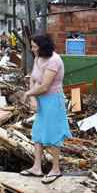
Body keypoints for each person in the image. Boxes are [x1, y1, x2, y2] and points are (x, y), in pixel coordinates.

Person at [21, 34, 71, 184]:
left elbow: (44, 86)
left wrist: (29, 93)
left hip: (53, 101)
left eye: (35, 46)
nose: (32, 49)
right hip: (41, 99)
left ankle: (56, 169)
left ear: (43, 47)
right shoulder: (38, 58)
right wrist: (32, 98)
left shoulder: (54, 61)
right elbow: (33, 78)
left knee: (53, 134)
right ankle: (37, 167)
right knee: (38, 133)